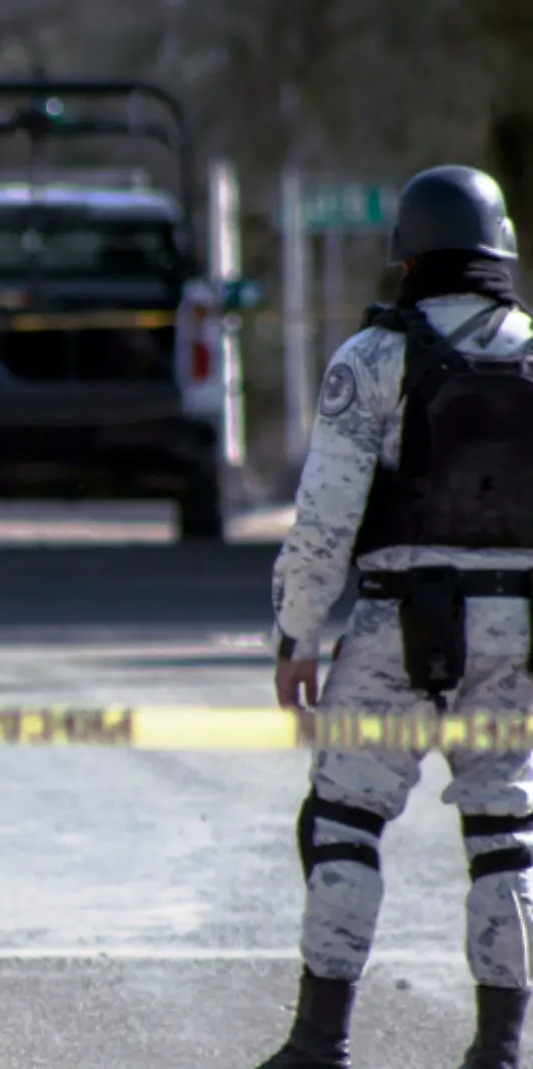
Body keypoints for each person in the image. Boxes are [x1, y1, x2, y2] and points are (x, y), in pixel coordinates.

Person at [257, 163, 533, 1069]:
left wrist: (297, 634)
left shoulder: (373, 360)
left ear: (406, 252)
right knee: (505, 836)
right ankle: (502, 1048)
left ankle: (318, 1043)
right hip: (518, 635)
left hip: (396, 630)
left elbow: (325, 520)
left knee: (343, 820)